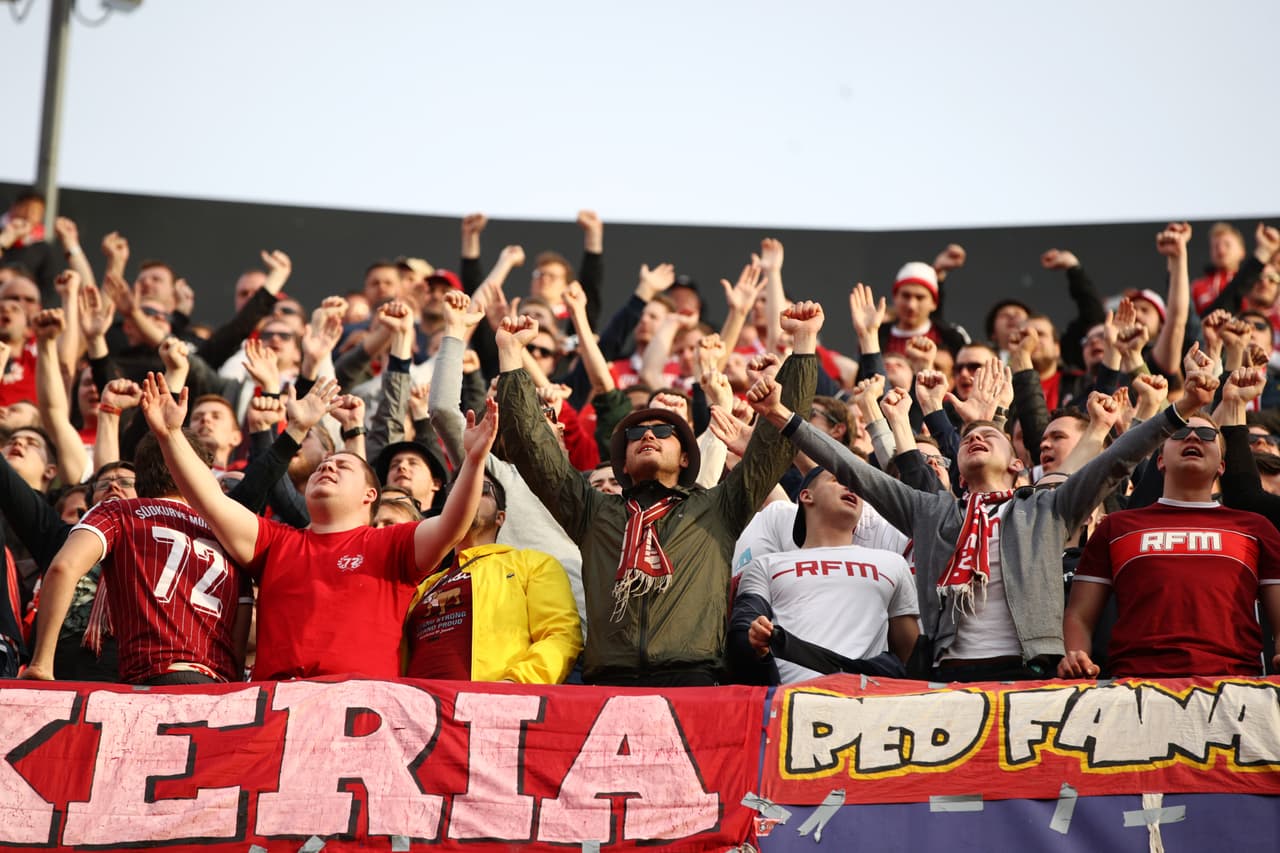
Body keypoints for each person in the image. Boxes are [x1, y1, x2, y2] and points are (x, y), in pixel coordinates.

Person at [746, 351, 1219, 682]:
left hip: (1030, 671)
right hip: (949, 676)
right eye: (969, 437)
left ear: (1016, 464)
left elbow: (1116, 460)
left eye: (990, 436)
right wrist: (781, 415)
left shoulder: (1048, 507)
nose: (975, 437)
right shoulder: (929, 510)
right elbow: (853, 468)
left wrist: (1184, 408)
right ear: (956, 466)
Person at [495, 303, 821, 687]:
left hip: (694, 682)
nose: (648, 435)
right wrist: (511, 355)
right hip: (608, 685)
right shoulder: (593, 512)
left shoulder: (718, 507)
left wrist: (803, 345)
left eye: (664, 431)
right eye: (635, 434)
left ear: (685, 457)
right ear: (623, 462)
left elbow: (773, 448)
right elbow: (533, 450)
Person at [138, 372, 497, 680]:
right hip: (277, 709)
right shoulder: (275, 542)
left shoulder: (392, 543)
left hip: (359, 710)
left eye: (343, 466)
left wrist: (474, 460)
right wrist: (170, 436)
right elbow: (210, 501)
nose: (327, 467)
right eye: (323, 466)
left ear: (370, 495)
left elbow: (452, 524)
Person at [1061, 383, 1280, 678]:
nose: (1192, 436)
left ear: (1221, 466)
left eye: (1207, 435)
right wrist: (1076, 657)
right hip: (1135, 684)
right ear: (1160, 460)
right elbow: (1079, 615)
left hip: (1234, 685)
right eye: (1179, 432)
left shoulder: (1256, 528)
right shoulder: (1116, 526)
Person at [23, 433, 252, 684]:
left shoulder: (118, 511)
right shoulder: (228, 535)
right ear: (200, 473)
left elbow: (63, 568)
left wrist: (41, 664)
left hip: (151, 678)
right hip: (214, 688)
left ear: (140, 475)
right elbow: (241, 620)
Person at [730, 467, 919, 684]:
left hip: (866, 699)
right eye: (837, 480)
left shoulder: (894, 564)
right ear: (806, 496)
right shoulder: (765, 566)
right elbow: (743, 631)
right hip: (790, 698)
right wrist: (756, 638)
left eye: (857, 486)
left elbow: (910, 659)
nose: (851, 488)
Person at [403, 474, 582, 683]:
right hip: (415, 701)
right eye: (457, 491)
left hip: (492, 699)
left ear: (500, 517)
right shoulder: (424, 585)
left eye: (483, 490)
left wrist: (514, 685)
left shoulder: (533, 564)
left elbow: (561, 635)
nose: (468, 494)